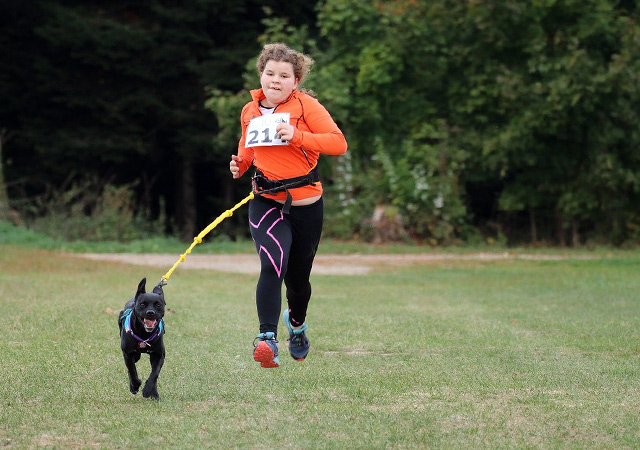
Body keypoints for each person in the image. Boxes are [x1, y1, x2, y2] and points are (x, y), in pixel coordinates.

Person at [229, 43, 348, 368]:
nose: (276, 80)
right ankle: (267, 338)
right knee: (272, 262)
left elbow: (338, 143)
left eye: (284, 75)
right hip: (266, 200)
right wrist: (239, 164)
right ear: (261, 75)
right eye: (270, 73)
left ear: (295, 81)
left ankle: (297, 326)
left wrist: (297, 136)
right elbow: (248, 150)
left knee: (298, 282)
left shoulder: (307, 106)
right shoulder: (250, 110)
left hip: (306, 205)